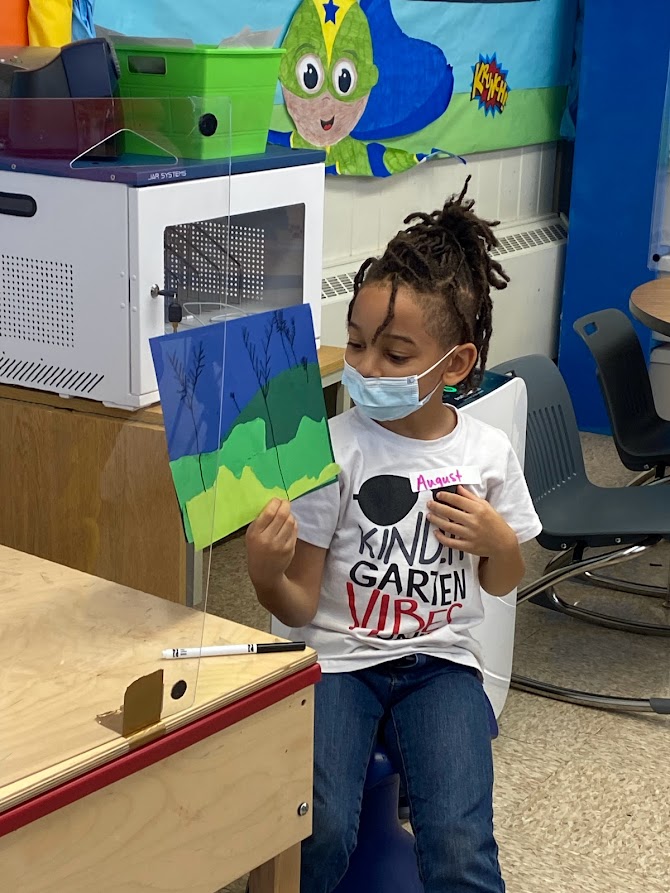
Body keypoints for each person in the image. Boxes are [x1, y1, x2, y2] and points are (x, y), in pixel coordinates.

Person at [246, 178, 542, 893]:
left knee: (460, 843)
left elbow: (504, 580)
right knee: (317, 827)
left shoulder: (485, 453)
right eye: (356, 344)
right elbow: (299, 602)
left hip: (442, 662)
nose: (366, 368)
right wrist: (264, 571)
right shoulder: (332, 447)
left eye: (396, 355)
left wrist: (498, 542)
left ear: (456, 363)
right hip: (339, 662)